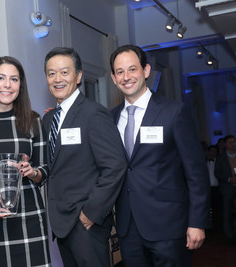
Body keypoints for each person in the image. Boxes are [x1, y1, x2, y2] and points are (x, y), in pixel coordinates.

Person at [110, 45, 210, 266]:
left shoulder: (173, 112)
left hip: (169, 226)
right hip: (128, 228)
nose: (126, 77)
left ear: (146, 71)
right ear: (113, 78)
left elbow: (196, 172)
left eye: (132, 69)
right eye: (120, 72)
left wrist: (197, 222)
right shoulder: (109, 119)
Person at [42, 47, 127, 266]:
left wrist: (90, 213)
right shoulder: (49, 119)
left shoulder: (93, 113)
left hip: (86, 224)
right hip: (61, 224)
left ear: (78, 76)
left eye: (64, 72)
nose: (57, 79)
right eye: (51, 73)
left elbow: (115, 166)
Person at [0, 56, 51, 266]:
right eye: (0, 78)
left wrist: (32, 172)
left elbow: (45, 168)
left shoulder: (33, 121)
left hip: (29, 217)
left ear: (20, 86)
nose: (7, 85)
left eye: (14, 79)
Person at [215, 134, 236, 243]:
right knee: (227, 212)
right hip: (227, 188)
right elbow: (217, 173)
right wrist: (229, 179)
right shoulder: (221, 157)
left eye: (233, 142)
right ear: (225, 144)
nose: (232, 144)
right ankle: (229, 236)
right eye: (229, 142)